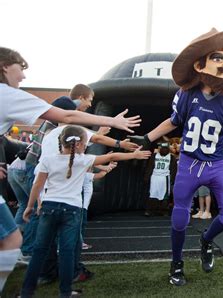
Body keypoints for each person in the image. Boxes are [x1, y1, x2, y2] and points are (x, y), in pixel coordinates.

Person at [0, 46, 141, 293]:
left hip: (45, 200)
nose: (23, 76)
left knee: (23, 239)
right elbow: (74, 121)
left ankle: (33, 282)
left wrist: (33, 204)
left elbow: (38, 181)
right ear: (4, 67)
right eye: (20, 69)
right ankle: (66, 282)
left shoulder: (50, 150)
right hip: (70, 207)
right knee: (59, 245)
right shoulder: (77, 155)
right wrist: (114, 125)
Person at [141, 29, 223, 286]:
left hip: (216, 165)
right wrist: (147, 138)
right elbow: (173, 121)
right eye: (218, 58)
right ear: (200, 65)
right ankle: (176, 263)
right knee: (180, 218)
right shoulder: (186, 94)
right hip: (189, 164)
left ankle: (206, 240)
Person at [19, 125, 151, 298]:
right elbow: (111, 156)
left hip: (49, 208)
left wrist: (30, 206)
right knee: (67, 252)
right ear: (81, 144)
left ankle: (26, 292)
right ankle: (65, 292)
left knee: (39, 251)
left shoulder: (48, 159)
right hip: (72, 211)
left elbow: (38, 185)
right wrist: (134, 155)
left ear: (61, 142)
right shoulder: (84, 160)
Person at [145, 143, 177, 216]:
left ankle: (163, 210)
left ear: (168, 149)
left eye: (166, 148)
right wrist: (147, 177)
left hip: (165, 177)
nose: (164, 150)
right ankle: (150, 210)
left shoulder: (171, 157)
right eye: (163, 148)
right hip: (154, 176)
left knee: (164, 195)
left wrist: (173, 179)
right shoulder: (154, 156)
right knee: (153, 193)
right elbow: (149, 167)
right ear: (160, 148)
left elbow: (174, 169)